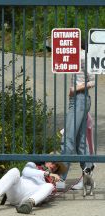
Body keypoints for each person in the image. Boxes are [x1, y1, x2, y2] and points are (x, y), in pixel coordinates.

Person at [59, 40, 95, 189]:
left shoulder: (84, 56)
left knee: (67, 138)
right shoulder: (74, 57)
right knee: (80, 141)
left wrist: (75, 89)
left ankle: (60, 178)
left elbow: (92, 81)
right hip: (76, 100)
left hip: (80, 99)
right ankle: (87, 178)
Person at [0, 160, 67, 214]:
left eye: (56, 167)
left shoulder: (51, 181)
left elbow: (57, 190)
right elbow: (25, 172)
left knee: (50, 186)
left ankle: (28, 205)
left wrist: (54, 183)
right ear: (47, 161)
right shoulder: (33, 165)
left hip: (27, 198)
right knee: (15, 170)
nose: (53, 166)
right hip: (17, 191)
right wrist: (46, 173)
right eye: (53, 163)